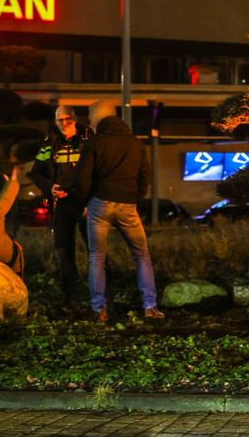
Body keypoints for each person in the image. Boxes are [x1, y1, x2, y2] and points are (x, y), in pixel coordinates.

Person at [75, 115, 162, 322]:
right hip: (127, 205)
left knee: (96, 257)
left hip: (99, 205)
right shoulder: (135, 144)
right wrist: (136, 198)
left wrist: (83, 202)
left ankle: (99, 309)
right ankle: (150, 306)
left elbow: (83, 177)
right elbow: (145, 176)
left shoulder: (93, 144)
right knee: (141, 254)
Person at [29, 106, 93, 304]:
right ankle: (71, 298)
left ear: (75, 119)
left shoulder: (89, 140)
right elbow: (36, 172)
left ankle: (101, 299)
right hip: (62, 204)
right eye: (59, 120)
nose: (64, 123)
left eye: (67, 119)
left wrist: (91, 199)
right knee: (64, 250)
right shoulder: (49, 143)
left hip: (86, 204)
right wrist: (51, 187)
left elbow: (98, 171)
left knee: (95, 251)